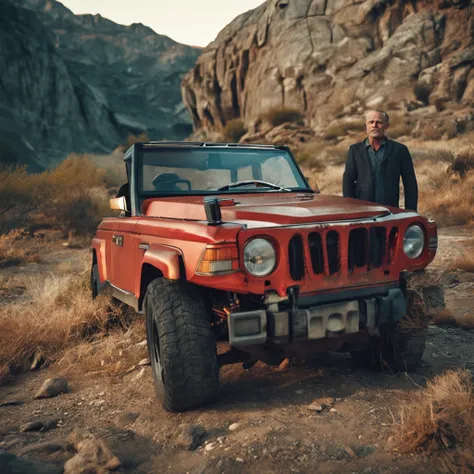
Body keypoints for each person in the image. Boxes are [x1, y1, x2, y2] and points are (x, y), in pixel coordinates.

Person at [342, 110, 418, 211]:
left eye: (379, 122)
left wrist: (411, 212)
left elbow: (410, 183)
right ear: (366, 126)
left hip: (389, 211)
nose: (374, 125)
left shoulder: (399, 150)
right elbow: (348, 181)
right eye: (371, 122)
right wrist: (349, 208)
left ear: (387, 126)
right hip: (362, 210)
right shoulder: (355, 150)